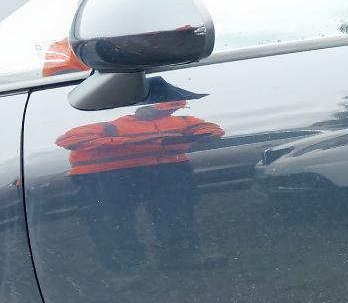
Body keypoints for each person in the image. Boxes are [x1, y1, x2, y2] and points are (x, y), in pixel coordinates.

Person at [55, 101, 224, 272]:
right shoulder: (110, 127)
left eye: (169, 109)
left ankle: (176, 254)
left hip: (163, 169)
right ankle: (125, 268)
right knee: (113, 220)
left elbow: (208, 128)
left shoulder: (183, 121)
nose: (150, 112)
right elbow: (68, 140)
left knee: (174, 211)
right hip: (106, 174)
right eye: (150, 107)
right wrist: (131, 142)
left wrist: (205, 135)